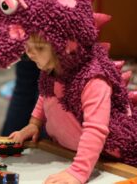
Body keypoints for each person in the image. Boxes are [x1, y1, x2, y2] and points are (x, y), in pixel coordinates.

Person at [1, 0, 102, 136]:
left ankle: (7, 143)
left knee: (26, 84)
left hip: (21, 4)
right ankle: (48, 147)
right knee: (54, 86)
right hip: (55, 13)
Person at [8, 32, 111, 184]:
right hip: (64, 153)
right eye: (28, 46)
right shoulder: (51, 70)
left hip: (102, 161)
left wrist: (78, 171)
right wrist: (34, 124)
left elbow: (96, 129)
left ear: (63, 48)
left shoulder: (93, 80)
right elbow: (46, 95)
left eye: (40, 48)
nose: (29, 53)